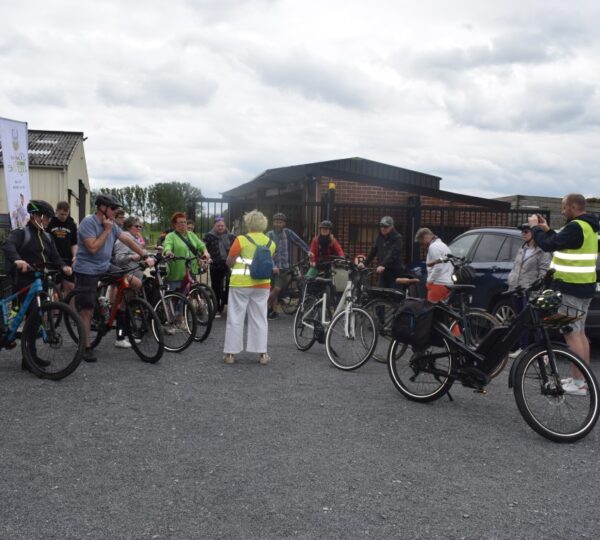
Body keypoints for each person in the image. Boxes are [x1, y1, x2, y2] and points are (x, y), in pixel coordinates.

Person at [528, 194, 599, 395]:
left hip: (570, 287)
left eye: (564, 207)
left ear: (574, 206)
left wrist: (534, 228)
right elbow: (560, 241)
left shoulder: (576, 226)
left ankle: (578, 383)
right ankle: (583, 379)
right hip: (585, 287)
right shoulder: (591, 227)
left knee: (571, 333)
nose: (562, 210)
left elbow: (549, 245)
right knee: (580, 333)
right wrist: (547, 229)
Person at [73, 193, 154, 363]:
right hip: (86, 269)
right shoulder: (88, 223)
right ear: (102, 208)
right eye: (112, 208)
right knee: (87, 309)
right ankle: (86, 346)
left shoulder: (113, 225)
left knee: (135, 282)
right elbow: (93, 248)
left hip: (104, 266)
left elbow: (127, 239)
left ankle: (116, 311)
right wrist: (107, 230)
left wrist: (145, 254)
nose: (115, 211)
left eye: (116, 208)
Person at [3, 200, 73, 370]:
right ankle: (30, 357)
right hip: (23, 280)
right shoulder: (22, 233)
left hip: (40, 280)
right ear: (35, 216)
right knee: (34, 316)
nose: (48, 220)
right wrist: (18, 260)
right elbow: (8, 245)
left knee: (36, 317)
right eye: (45, 217)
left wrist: (64, 266)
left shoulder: (47, 237)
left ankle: (28, 358)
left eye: (49, 217)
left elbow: (55, 257)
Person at [223, 210, 275, 365]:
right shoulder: (270, 243)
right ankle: (263, 354)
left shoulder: (241, 240)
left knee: (235, 317)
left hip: (241, 283)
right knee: (260, 318)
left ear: (248, 223)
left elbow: (229, 261)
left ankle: (231, 354)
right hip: (262, 284)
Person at [506, 224, 552, 357]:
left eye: (526, 231)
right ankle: (523, 348)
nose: (523, 234)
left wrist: (536, 289)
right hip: (517, 289)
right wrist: (511, 280)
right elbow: (516, 267)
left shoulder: (542, 251)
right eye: (522, 231)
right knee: (520, 321)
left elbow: (544, 272)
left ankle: (543, 354)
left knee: (535, 322)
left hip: (530, 291)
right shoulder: (523, 248)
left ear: (535, 233)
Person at [266, 212, 312, 320]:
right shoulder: (269, 234)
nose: (278, 224)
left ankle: (263, 306)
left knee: (276, 289)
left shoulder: (288, 233)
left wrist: (308, 251)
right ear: (273, 223)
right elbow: (267, 252)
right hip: (272, 266)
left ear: (284, 224)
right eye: (276, 222)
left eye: (280, 222)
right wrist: (273, 266)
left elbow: (298, 241)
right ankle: (273, 311)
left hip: (284, 267)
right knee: (273, 289)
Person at [111, 216, 145, 348]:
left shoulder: (135, 239)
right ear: (129, 226)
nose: (139, 229)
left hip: (133, 277)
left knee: (128, 308)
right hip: (126, 277)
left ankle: (127, 335)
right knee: (122, 308)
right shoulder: (123, 239)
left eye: (140, 226)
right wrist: (133, 257)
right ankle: (120, 337)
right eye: (137, 226)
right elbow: (119, 259)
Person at [162, 212, 211, 291]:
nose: (184, 224)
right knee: (177, 300)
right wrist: (168, 252)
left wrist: (205, 252)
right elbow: (167, 245)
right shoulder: (171, 236)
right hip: (177, 275)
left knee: (190, 297)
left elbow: (201, 245)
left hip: (191, 272)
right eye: (181, 222)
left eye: (185, 222)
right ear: (174, 224)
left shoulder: (191, 234)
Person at [203, 216, 236, 318]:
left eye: (222, 226)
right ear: (214, 226)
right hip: (215, 265)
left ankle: (228, 306)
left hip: (228, 265)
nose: (220, 227)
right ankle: (217, 309)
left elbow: (236, 248)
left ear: (225, 226)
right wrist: (205, 257)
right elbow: (203, 248)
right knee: (216, 287)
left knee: (230, 286)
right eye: (218, 226)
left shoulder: (231, 236)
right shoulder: (209, 236)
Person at [362, 216, 404, 288]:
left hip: (394, 272)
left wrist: (383, 265)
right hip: (384, 272)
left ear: (391, 227)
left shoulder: (397, 238)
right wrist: (365, 263)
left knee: (393, 294)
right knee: (379, 292)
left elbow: (392, 253)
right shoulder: (380, 237)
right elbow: (373, 251)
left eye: (386, 226)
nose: (383, 228)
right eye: (381, 226)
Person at [46, 201, 78, 295]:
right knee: (56, 288)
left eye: (66, 214)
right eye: (61, 214)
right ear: (56, 211)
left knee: (71, 287)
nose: (63, 216)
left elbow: (74, 243)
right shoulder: (51, 223)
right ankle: (56, 308)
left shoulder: (71, 224)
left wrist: (75, 256)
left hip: (67, 260)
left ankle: (68, 309)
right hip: (53, 260)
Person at [414, 227, 454, 302]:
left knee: (432, 310)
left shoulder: (433, 247)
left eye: (421, 243)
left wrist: (429, 281)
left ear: (425, 237)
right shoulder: (443, 245)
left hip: (437, 283)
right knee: (442, 311)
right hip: (447, 282)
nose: (422, 246)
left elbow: (438, 266)